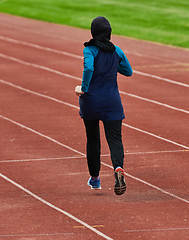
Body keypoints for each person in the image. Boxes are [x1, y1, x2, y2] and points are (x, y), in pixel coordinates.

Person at [75, 16, 133, 195]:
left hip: (91, 101)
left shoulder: (89, 51)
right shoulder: (117, 51)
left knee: (93, 139)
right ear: (109, 33)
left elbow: (89, 68)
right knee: (115, 139)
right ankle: (117, 167)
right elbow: (128, 71)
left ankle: (95, 179)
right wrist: (112, 66)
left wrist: (83, 88)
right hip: (112, 102)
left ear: (93, 33)